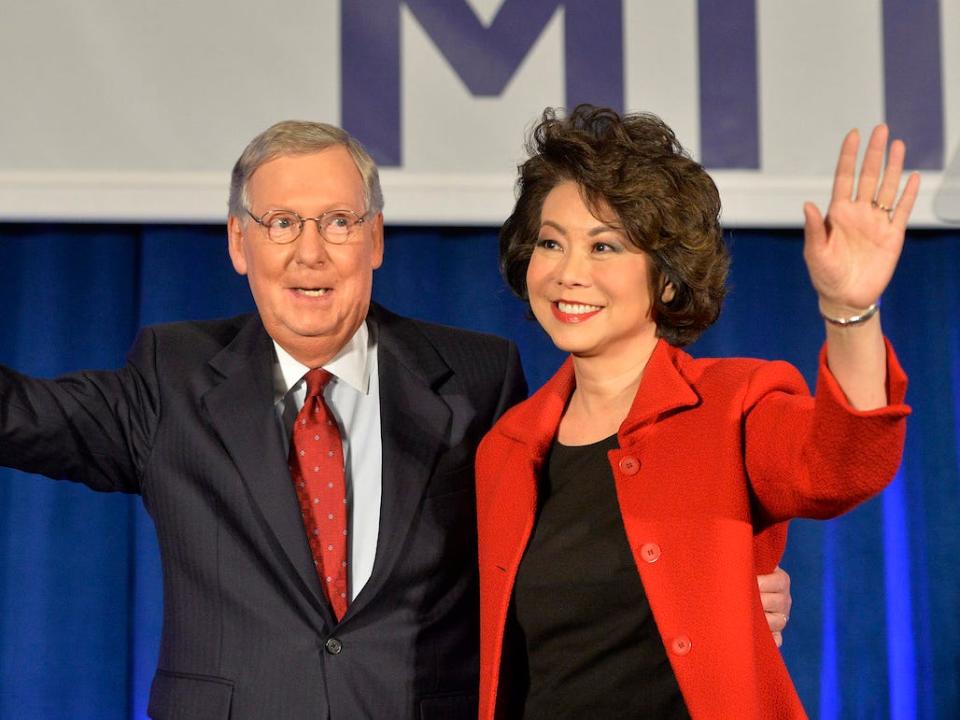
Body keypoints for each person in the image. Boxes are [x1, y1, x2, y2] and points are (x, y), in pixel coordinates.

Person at [0, 119, 791, 719]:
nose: (310, 253)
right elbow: (18, 414)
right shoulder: (170, 377)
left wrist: (715, 585)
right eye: (281, 224)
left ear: (375, 239)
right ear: (239, 243)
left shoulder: (480, 378)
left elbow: (561, 539)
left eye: (338, 223)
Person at [475, 105, 916, 719]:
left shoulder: (735, 403)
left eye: (605, 246)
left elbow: (842, 469)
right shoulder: (506, 446)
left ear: (667, 280)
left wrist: (850, 311)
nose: (569, 272)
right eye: (552, 242)